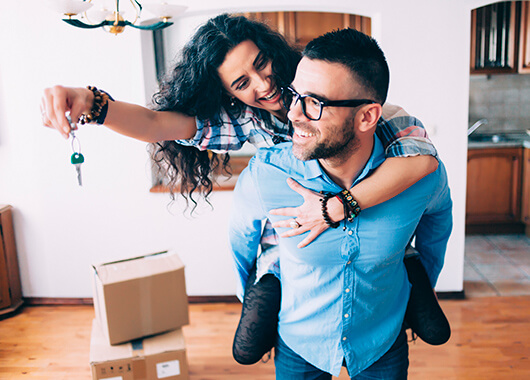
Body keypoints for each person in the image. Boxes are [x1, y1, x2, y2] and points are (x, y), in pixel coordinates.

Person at [40, 14, 447, 364]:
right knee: (252, 334)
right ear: (229, 94)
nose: (263, 82)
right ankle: (273, 283)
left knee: (410, 291)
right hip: (291, 241)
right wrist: (93, 105)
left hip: (366, 224)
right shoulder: (246, 122)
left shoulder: (351, 101)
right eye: (242, 82)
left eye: (262, 62)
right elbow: (152, 123)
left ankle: (406, 268)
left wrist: (338, 206)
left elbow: (425, 160)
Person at [229, 27, 452, 379]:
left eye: (314, 103)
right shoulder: (265, 177)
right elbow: (241, 248)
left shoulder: (420, 177)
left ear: (367, 116)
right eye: (295, 96)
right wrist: (256, 309)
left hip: (381, 337)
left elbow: (438, 223)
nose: (293, 115)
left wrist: (420, 290)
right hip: (300, 340)